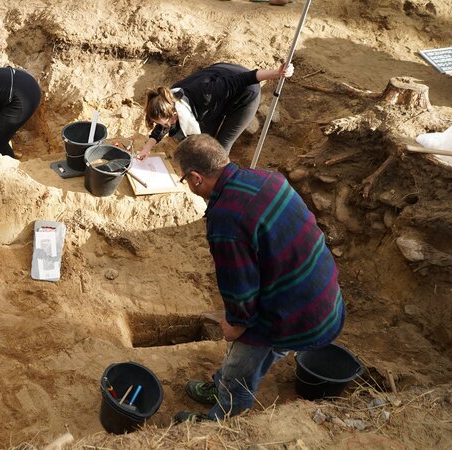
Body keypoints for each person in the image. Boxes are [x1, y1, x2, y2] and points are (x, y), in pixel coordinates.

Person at [171, 134, 346, 423]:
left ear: (195, 177)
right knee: (254, 349)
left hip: (298, 311)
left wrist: (236, 324)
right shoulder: (267, 178)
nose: (187, 185)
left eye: (184, 180)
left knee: (240, 362)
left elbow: (240, 288)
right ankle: (221, 384)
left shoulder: (226, 220)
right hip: (324, 295)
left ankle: (223, 418)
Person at [137, 62, 293, 159]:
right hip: (218, 80)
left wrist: (277, 73)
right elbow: (163, 124)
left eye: (166, 123)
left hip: (244, 92)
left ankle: (217, 179)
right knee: (205, 137)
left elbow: (246, 78)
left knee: (221, 143)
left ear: (175, 114)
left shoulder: (207, 93)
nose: (164, 126)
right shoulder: (167, 99)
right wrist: (147, 148)